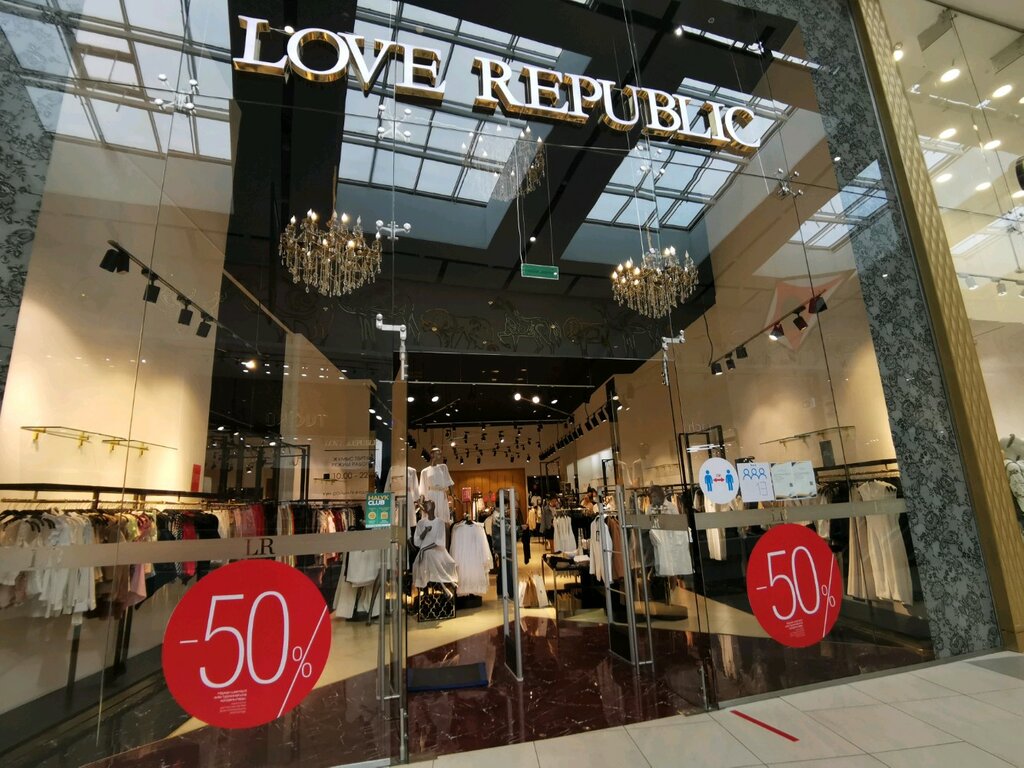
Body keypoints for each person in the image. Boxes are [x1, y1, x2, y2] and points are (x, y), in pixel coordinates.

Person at [412, 499, 458, 592]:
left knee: (430, 555)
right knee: (427, 557)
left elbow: (439, 542)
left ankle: (444, 587)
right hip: (424, 552)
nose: (426, 506)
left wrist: (424, 549)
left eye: (428, 504)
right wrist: (425, 531)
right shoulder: (421, 522)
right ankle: (444, 588)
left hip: (437, 551)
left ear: (433, 506)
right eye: (425, 505)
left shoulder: (440, 522)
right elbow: (418, 540)